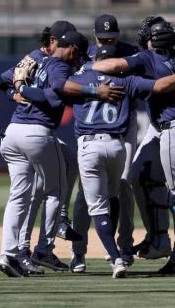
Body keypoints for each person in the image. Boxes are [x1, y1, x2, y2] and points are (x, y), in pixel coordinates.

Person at [19, 43, 175, 277]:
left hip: (90, 146)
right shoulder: (126, 81)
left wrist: (19, 89)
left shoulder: (79, 81)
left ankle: (113, 258)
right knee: (114, 197)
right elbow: (160, 86)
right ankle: (120, 252)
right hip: (117, 147)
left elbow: (51, 92)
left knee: (96, 206)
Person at [87, 16, 175, 277]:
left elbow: (109, 66)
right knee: (142, 177)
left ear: (150, 40)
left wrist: (89, 66)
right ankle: (167, 247)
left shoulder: (147, 58)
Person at [0, 30, 89, 277]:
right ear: (72, 50)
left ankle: (9, 254)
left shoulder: (36, 60)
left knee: (18, 197)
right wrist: (22, 91)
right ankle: (44, 247)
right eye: (78, 54)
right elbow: (55, 95)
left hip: (12, 132)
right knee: (55, 192)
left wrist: (17, 87)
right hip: (36, 135)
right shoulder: (60, 67)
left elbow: (4, 79)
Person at [71, 14, 139, 272]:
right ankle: (79, 251)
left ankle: (123, 247)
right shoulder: (85, 55)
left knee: (123, 183)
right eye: (103, 37)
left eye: (112, 37)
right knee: (84, 194)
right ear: (95, 35)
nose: (108, 41)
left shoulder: (130, 53)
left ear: (118, 35)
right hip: (91, 130)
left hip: (123, 126)